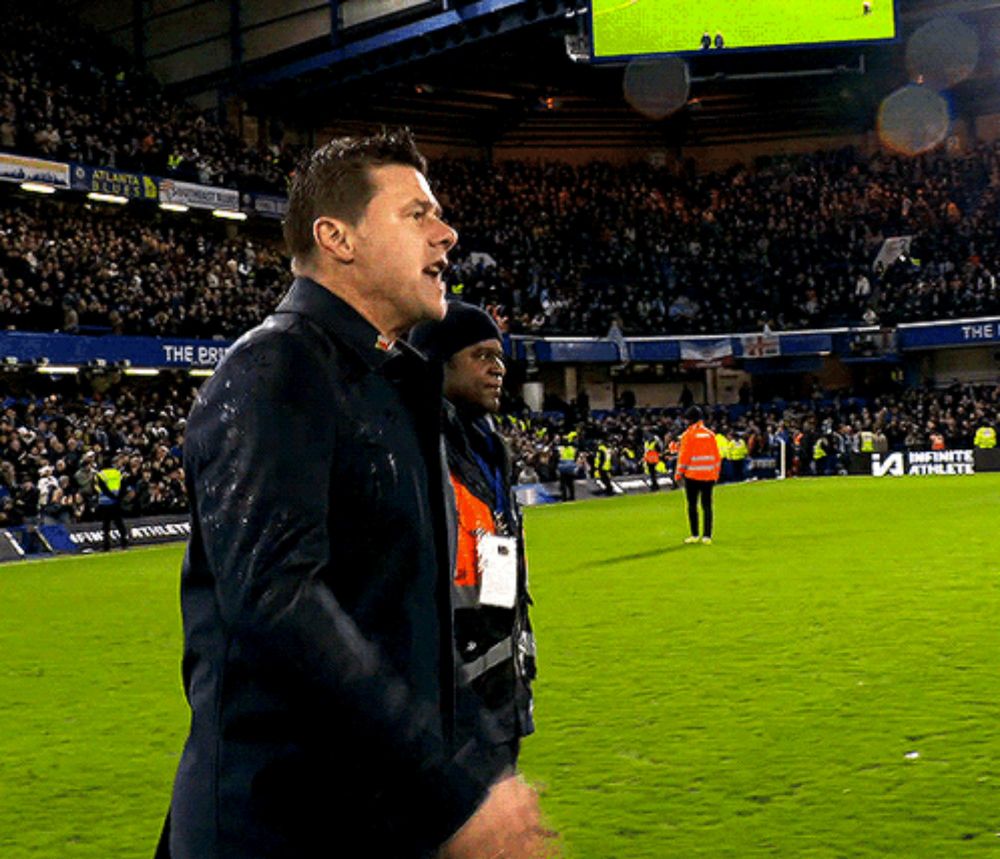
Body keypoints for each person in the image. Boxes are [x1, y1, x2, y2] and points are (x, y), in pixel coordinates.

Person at [157, 130, 549, 859]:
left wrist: (476, 768)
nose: (446, 234)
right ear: (336, 238)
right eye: (417, 214)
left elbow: (405, 625)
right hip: (277, 828)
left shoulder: (394, 388)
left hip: (374, 819)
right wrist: (450, 788)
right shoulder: (277, 369)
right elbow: (278, 605)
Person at [410, 301, 537, 778]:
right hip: (444, 713)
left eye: (500, 357)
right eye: (481, 356)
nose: (498, 368)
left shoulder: (488, 447)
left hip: (496, 694)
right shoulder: (417, 450)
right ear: (439, 363)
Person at [675, 406, 721, 545]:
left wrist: (678, 474)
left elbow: (684, 456)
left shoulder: (688, 435)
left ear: (689, 419)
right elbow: (716, 456)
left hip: (692, 475)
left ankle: (694, 534)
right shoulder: (710, 434)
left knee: (692, 505)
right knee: (707, 506)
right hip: (708, 475)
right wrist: (715, 473)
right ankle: (707, 536)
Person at [95, 455, 128, 551]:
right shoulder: (118, 473)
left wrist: (112, 497)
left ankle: (106, 545)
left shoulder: (100, 474)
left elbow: (103, 488)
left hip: (105, 502)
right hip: (116, 503)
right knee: (119, 523)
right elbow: (123, 486)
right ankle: (124, 543)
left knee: (106, 525)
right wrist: (118, 498)